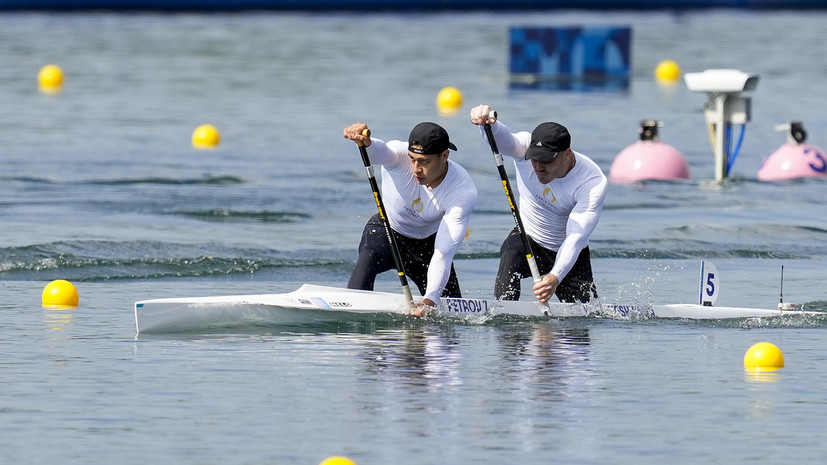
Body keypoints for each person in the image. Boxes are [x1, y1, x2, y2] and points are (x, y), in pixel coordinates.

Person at [469, 104, 607, 304]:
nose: (538, 167)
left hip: (568, 252)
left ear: (567, 154)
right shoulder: (525, 147)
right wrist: (487, 123)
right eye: (535, 159)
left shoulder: (592, 182)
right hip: (527, 238)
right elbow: (501, 139)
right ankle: (505, 318)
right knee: (510, 254)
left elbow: (575, 238)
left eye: (546, 161)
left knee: (582, 321)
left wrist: (555, 276)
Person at [343, 121, 478, 314]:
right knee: (368, 259)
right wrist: (366, 141)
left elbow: (443, 253)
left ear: (444, 156)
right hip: (386, 232)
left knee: (451, 315)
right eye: (412, 159)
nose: (415, 168)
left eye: (424, 161)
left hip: (428, 247)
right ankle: (353, 318)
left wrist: (430, 302)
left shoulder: (462, 190)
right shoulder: (398, 156)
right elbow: (377, 151)